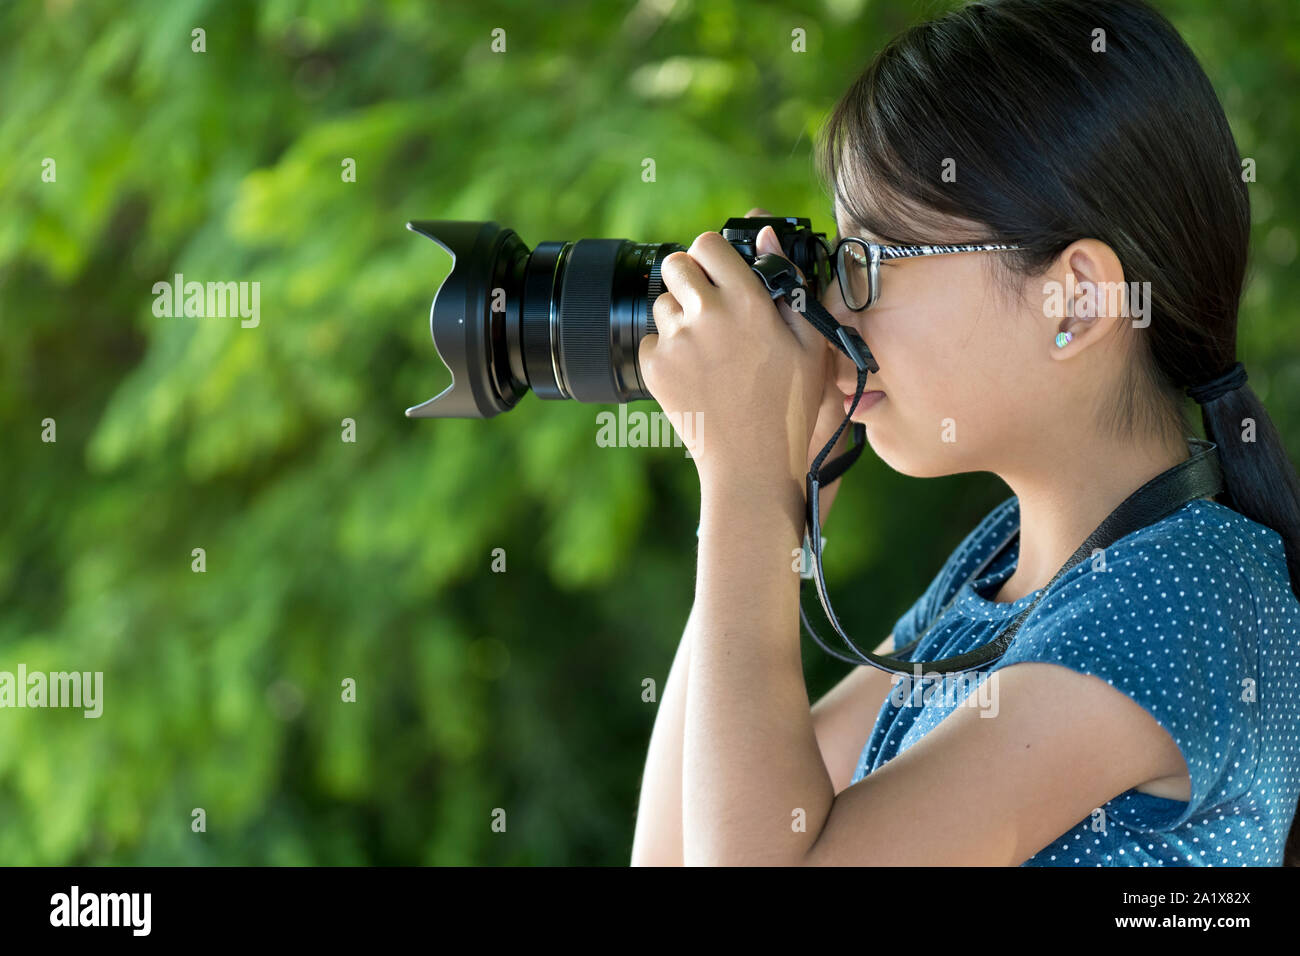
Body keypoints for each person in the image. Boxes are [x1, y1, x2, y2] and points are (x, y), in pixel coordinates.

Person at [631, 0, 1300, 866]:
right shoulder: (1002, 570)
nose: (834, 310)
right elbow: (680, 849)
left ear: (1078, 300)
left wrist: (746, 486)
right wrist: (777, 485)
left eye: (871, 261)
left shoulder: (1185, 600)